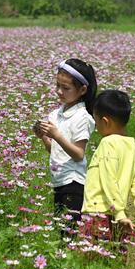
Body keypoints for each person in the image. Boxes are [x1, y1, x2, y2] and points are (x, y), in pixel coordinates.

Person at [33, 59, 97, 237]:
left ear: (82, 90)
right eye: (57, 86)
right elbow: (53, 150)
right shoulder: (56, 114)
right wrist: (44, 137)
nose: (59, 92)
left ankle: (71, 261)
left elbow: (78, 154)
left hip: (74, 182)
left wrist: (57, 135)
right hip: (59, 180)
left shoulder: (82, 117)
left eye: (66, 88)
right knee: (61, 229)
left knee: (69, 233)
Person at [81, 90, 135, 251]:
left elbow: (108, 179)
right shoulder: (134, 149)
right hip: (118, 217)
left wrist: (118, 213)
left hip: (97, 214)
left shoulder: (107, 143)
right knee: (115, 265)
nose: (96, 126)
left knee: (91, 266)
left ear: (105, 121)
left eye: (96, 121)